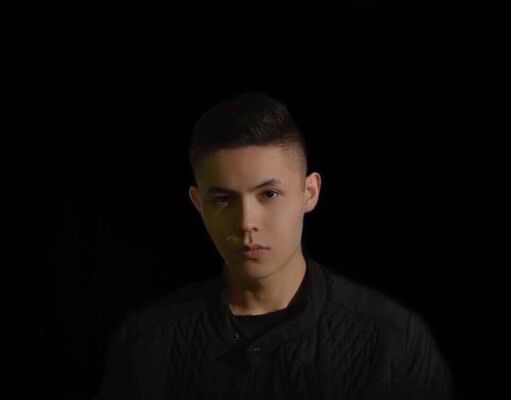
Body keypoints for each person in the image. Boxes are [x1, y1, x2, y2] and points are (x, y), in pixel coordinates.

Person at [96, 91, 456, 399]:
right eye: (223, 199)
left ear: (309, 192)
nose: (246, 222)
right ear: (198, 203)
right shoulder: (146, 344)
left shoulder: (392, 340)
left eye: (268, 194)